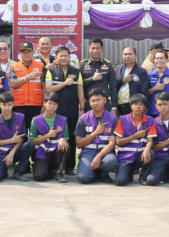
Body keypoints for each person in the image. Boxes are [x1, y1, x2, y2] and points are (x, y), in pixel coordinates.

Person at [43, 46, 84, 175]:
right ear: (56, 58)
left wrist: (82, 108)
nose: (64, 58)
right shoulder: (51, 71)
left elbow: (80, 91)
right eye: (61, 56)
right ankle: (56, 166)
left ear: (70, 57)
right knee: (56, 137)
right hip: (56, 112)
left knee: (71, 138)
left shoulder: (76, 72)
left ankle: (70, 167)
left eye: (66, 55)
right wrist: (65, 83)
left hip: (72, 110)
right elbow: (49, 88)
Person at [75, 88, 119, 184]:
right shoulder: (83, 118)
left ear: (105, 100)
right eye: (93, 101)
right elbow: (79, 144)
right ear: (89, 102)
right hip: (88, 152)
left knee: (111, 162)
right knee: (84, 178)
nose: (95, 103)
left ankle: (103, 173)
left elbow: (112, 144)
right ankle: (93, 171)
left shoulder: (113, 119)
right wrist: (95, 133)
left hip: (106, 153)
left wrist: (99, 156)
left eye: (98, 100)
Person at [0, 92, 34, 182]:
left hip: (15, 151)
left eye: (9, 105)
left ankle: (18, 172)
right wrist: (11, 140)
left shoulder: (20, 117)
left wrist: (12, 153)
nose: (7, 108)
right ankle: (3, 170)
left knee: (29, 145)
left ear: (13, 104)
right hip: (0, 154)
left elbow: (21, 138)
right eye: (4, 105)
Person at [113, 93, 156, 186]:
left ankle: (143, 175)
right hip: (125, 157)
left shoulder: (150, 120)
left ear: (144, 107)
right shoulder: (122, 119)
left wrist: (147, 149)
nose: (137, 107)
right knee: (120, 182)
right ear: (131, 106)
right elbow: (118, 142)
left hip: (140, 156)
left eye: (141, 104)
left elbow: (150, 141)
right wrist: (135, 136)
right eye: (135, 104)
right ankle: (129, 172)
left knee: (151, 153)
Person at [28, 92, 70, 183]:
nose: (52, 106)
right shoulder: (36, 120)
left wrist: (63, 139)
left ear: (57, 105)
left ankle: (59, 172)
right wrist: (48, 135)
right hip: (42, 153)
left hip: (56, 153)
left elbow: (66, 137)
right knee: (38, 177)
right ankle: (51, 171)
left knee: (65, 145)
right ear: (44, 103)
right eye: (50, 103)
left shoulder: (63, 120)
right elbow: (32, 141)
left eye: (55, 104)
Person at [9, 41, 45, 125]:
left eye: (29, 52)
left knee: (36, 130)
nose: (27, 54)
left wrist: (44, 104)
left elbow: (45, 87)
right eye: (24, 52)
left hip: (36, 105)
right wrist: (26, 78)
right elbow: (12, 84)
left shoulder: (41, 66)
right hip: (18, 105)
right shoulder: (14, 66)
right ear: (19, 53)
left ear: (33, 52)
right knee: (19, 130)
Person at [79, 39, 118, 113]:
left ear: (102, 50)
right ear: (89, 49)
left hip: (104, 103)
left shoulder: (108, 65)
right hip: (88, 103)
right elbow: (78, 85)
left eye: (97, 48)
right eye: (93, 48)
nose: (95, 51)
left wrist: (113, 107)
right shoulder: (82, 65)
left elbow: (113, 86)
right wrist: (92, 79)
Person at [115, 46, 149, 116]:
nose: (127, 56)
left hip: (134, 107)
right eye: (125, 54)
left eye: (130, 54)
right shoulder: (118, 68)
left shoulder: (142, 71)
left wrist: (140, 107)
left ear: (135, 55)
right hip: (119, 106)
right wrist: (123, 80)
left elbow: (144, 92)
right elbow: (113, 85)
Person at [146, 49, 169, 118]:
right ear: (154, 60)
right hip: (153, 111)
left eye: (161, 58)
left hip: (168, 112)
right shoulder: (149, 75)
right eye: (157, 58)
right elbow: (145, 93)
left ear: (167, 60)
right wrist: (155, 88)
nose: (159, 60)